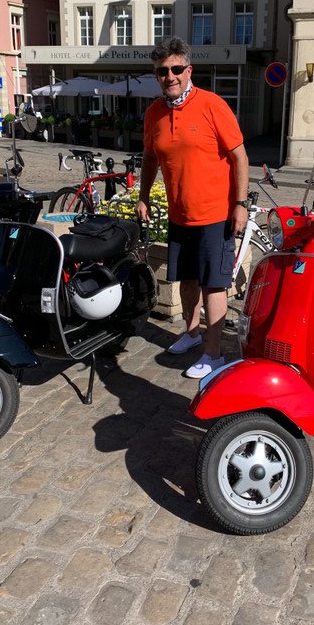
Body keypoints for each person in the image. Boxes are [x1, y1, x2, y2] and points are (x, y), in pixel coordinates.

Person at [136, 37, 249, 379]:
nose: (169, 76)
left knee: (214, 283)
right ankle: (191, 333)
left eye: (176, 69)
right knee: (186, 280)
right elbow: (150, 158)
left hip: (215, 214)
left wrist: (240, 205)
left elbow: (240, 156)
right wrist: (143, 196)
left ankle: (213, 354)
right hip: (179, 214)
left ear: (188, 70)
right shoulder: (154, 113)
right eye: (161, 71)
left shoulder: (212, 105)